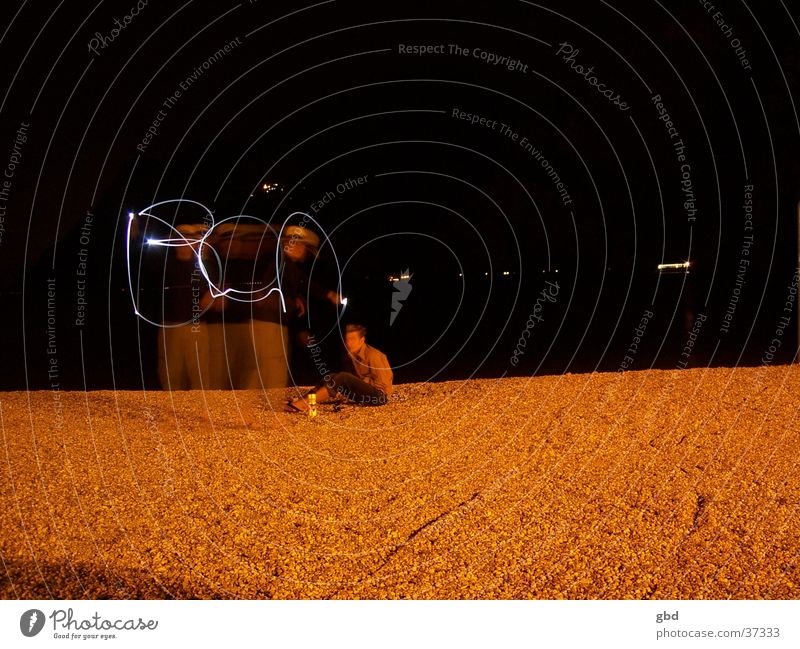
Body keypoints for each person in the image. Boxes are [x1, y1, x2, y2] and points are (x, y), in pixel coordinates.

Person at [286, 323, 392, 411]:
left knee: (343, 377)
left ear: (361, 340)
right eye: (346, 339)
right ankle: (301, 400)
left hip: (379, 398)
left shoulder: (373, 356)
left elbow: (384, 385)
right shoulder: (352, 354)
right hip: (363, 395)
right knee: (332, 376)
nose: (348, 343)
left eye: (352, 339)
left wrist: (364, 381)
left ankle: (304, 404)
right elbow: (353, 380)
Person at [157, 224, 210, 390]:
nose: (185, 241)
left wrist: (211, 294)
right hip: (171, 325)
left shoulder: (202, 267)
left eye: (190, 238)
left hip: (196, 326)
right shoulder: (164, 266)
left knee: (199, 373)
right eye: (181, 237)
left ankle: (200, 412)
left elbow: (213, 290)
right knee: (171, 374)